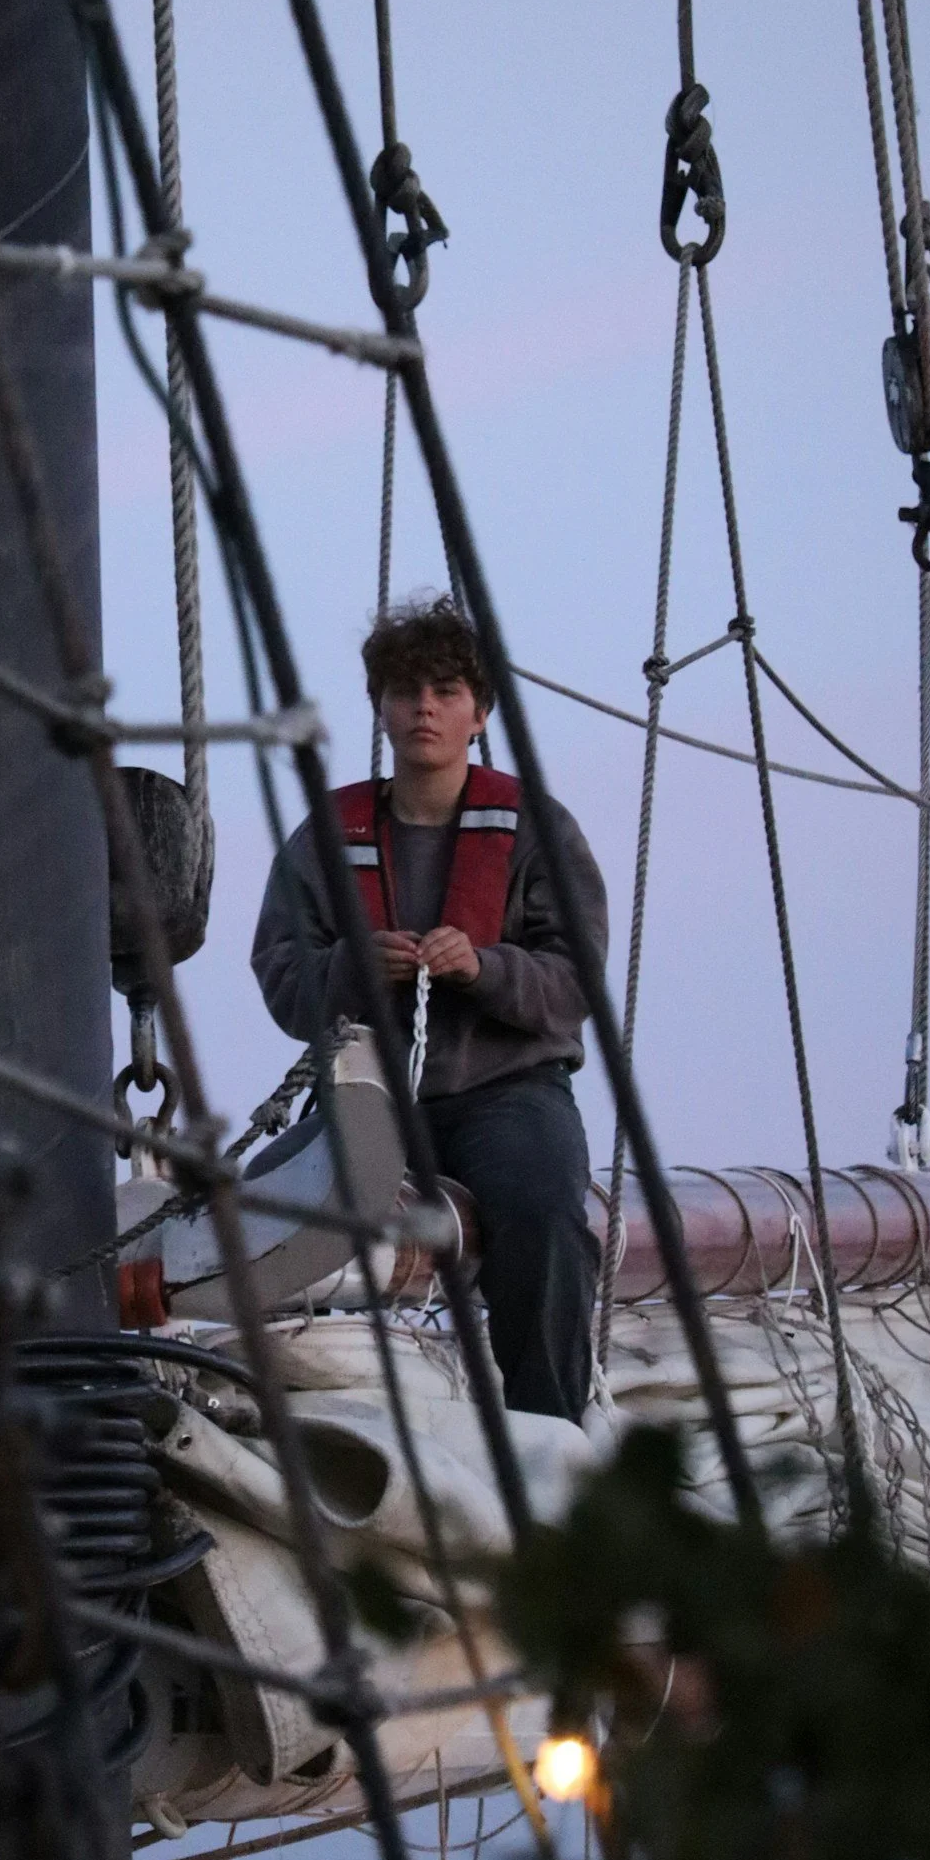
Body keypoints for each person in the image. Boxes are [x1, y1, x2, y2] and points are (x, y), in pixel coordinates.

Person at [250, 596, 607, 1423]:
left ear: (478, 714)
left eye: (446, 691)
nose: (424, 708)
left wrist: (482, 968)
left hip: (506, 1093)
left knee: (546, 1222)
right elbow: (279, 974)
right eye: (406, 690)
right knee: (251, 1223)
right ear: (378, 705)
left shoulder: (534, 830)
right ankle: (279, 1424)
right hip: (367, 1091)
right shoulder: (326, 835)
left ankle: (546, 1439)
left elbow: (576, 978)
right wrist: (348, 969)